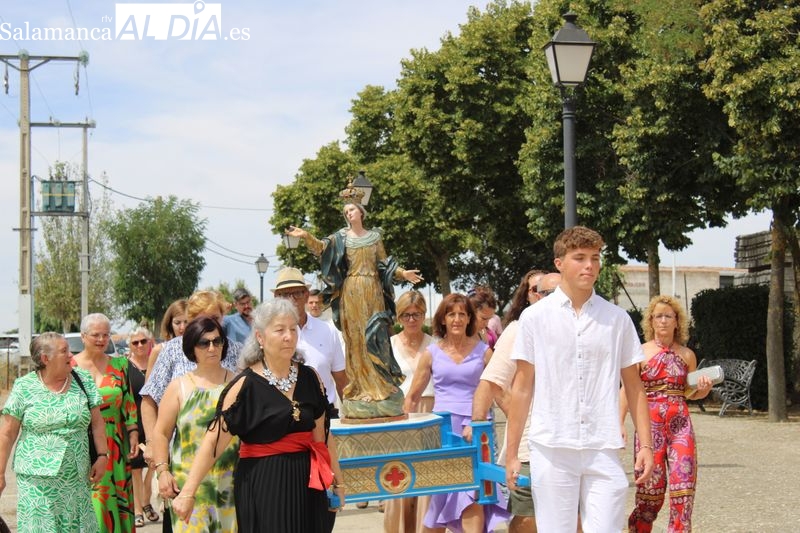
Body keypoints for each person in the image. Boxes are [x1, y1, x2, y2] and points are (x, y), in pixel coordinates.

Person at [505, 226, 654, 533]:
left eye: (595, 258)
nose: (590, 265)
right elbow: (521, 389)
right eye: (580, 258)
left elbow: (635, 386)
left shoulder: (617, 319)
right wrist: (511, 453)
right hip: (552, 447)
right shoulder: (535, 319)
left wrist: (646, 445)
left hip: (604, 447)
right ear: (559, 263)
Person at [171, 299, 346, 532]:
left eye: (293, 329)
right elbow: (213, 441)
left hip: (308, 485)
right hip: (264, 485)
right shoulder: (244, 386)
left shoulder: (311, 377)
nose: (289, 336)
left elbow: (322, 437)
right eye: (280, 330)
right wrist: (187, 493)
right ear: (260, 338)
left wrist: (338, 483)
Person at [286, 193, 422, 418]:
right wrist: (306, 236)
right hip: (351, 291)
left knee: (375, 336)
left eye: (351, 210)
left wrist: (402, 273)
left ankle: (381, 386)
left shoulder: (375, 237)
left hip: (373, 290)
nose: (348, 213)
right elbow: (322, 248)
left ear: (361, 212)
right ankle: (361, 388)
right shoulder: (341, 238)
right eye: (345, 211)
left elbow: (384, 264)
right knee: (356, 338)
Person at [404, 293, 509, 533]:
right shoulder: (430, 353)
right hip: (443, 434)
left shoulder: (484, 352)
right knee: (441, 498)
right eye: (452, 314)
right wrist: (404, 435)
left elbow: (501, 394)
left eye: (463, 314)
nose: (457, 319)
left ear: (470, 319)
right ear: (443, 319)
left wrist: (520, 428)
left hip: (477, 432)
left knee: (472, 493)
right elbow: (411, 398)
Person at [471, 272, 561, 533]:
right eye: (537, 290)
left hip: (569, 446)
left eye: (556, 292)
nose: (546, 297)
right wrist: (480, 427)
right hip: (529, 447)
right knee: (527, 519)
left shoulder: (578, 330)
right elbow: (491, 384)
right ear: (529, 295)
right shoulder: (518, 330)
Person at [621, 295, 714, 532]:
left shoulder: (687, 355)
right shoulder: (639, 353)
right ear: (650, 321)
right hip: (648, 427)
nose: (663, 321)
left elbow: (689, 394)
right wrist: (619, 422)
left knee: (683, 490)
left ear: (677, 322)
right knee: (649, 493)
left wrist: (703, 390)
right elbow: (627, 391)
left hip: (680, 426)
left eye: (668, 316)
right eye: (658, 316)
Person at [0, 333, 108, 533]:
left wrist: (102, 455)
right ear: (45, 359)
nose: (71, 354)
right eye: (64, 351)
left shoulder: (82, 379)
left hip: (76, 479)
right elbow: (7, 433)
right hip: (37, 482)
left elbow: (97, 423)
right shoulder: (24, 387)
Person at [151, 316, 238, 532]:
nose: (212, 348)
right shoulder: (178, 387)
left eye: (217, 341)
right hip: (188, 484)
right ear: (192, 347)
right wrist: (162, 472)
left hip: (231, 483)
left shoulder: (238, 384)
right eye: (204, 342)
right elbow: (161, 433)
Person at [72, 313, 140, 533]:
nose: (101, 339)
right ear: (83, 336)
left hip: (114, 443)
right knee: (91, 499)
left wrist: (133, 433)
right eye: (95, 335)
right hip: (81, 442)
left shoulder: (120, 365)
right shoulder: (69, 366)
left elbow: (128, 403)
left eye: (105, 335)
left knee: (111, 500)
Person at [383, 290, 436, 532]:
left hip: (429, 411)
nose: (411, 319)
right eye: (405, 315)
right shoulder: (389, 345)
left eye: (416, 314)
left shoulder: (435, 345)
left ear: (424, 315)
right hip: (400, 414)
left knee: (426, 475)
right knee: (399, 473)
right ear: (398, 317)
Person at [127, 326, 160, 527]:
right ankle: (138, 509)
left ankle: (146, 500)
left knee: (155, 464)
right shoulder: (125, 366)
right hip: (134, 421)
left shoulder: (157, 363)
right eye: (135, 342)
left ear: (150, 342)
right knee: (136, 468)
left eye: (143, 341)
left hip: (156, 419)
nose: (139, 345)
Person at [147, 299, 189, 378]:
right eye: (177, 323)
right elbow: (148, 388)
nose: (182, 327)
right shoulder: (158, 351)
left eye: (186, 322)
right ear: (170, 324)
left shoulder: (200, 349)